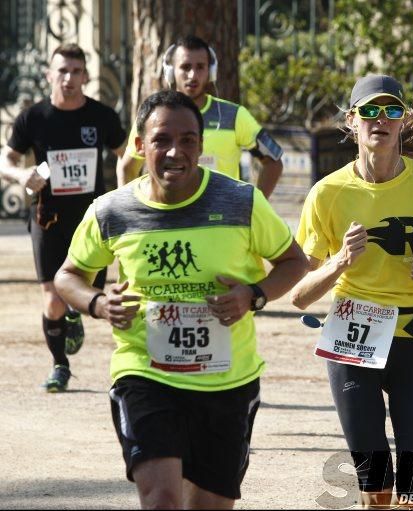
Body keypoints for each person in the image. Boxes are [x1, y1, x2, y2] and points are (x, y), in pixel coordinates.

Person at [54, 90, 307, 509]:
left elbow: (293, 261)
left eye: (188, 140)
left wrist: (254, 295)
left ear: (202, 145)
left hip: (228, 380)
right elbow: (68, 276)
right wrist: (98, 303)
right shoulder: (112, 211)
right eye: (162, 140)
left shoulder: (241, 202)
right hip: (145, 373)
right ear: (139, 145)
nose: (176, 151)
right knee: (162, 500)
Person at [290, 74, 413, 508]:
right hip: (350, 338)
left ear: (403, 120)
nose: (381, 120)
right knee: (374, 484)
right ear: (351, 121)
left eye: (391, 111)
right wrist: (338, 263)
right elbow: (299, 295)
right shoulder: (327, 193)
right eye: (370, 111)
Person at [0, 43, 126, 392]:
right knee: (53, 296)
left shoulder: (102, 116)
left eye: (76, 71)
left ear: (85, 76)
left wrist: (123, 195)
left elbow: (127, 155)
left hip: (93, 220)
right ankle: (60, 365)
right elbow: (5, 159)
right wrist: (21, 176)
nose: (69, 78)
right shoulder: (33, 118)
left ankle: (75, 314)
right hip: (47, 218)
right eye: (62, 71)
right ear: (49, 75)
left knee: (90, 294)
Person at [117, 35, 283, 199]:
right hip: (168, 217)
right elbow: (128, 168)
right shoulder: (153, 117)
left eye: (200, 67)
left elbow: (273, 162)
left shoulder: (234, 115)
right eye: (185, 67)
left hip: (221, 220)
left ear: (211, 72)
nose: (193, 75)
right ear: (170, 72)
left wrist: (254, 204)